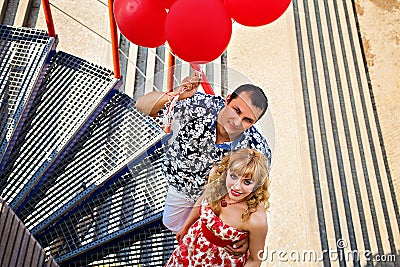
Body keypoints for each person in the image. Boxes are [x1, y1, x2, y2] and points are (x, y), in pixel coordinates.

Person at [135, 72, 271, 255]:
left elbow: (258, 192)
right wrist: (177, 95)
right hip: (181, 186)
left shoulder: (256, 148)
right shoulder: (201, 107)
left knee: (207, 245)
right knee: (171, 223)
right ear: (228, 100)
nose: (238, 122)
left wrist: (250, 237)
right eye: (236, 110)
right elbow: (142, 106)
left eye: (248, 120)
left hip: (218, 204)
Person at [165, 148, 270, 267]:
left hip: (219, 262)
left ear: (257, 184)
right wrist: (186, 226)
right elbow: (203, 199)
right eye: (233, 176)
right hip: (191, 247)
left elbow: (255, 260)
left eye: (247, 182)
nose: (236, 187)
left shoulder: (255, 218)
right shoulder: (217, 178)